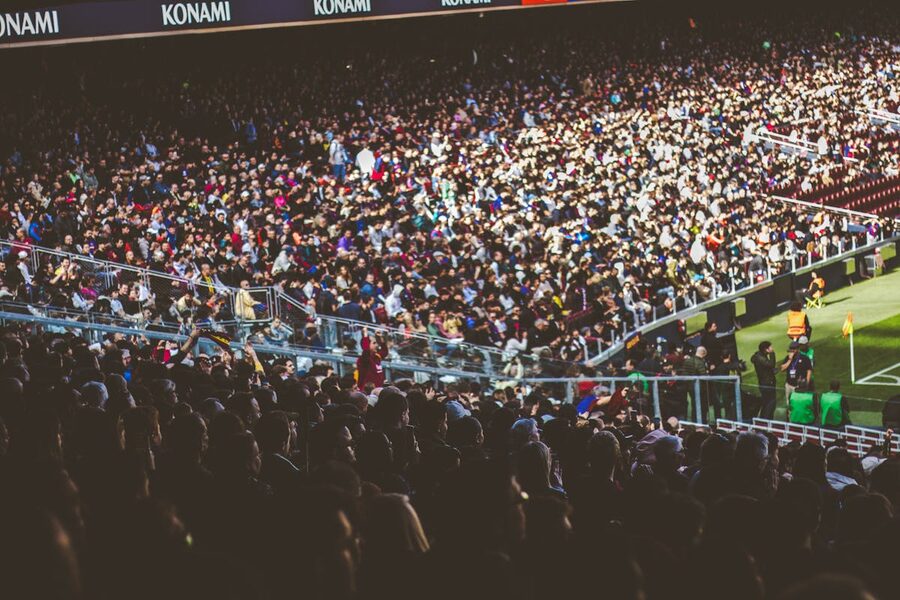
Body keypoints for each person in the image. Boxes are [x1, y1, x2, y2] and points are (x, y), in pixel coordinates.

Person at [781, 340, 813, 405]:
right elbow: (782, 369)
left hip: (799, 386)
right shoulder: (788, 358)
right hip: (789, 384)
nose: (792, 351)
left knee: (798, 403)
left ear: (798, 349)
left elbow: (809, 370)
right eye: (791, 349)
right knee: (789, 403)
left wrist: (807, 382)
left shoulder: (804, 358)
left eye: (794, 349)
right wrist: (790, 360)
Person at [752, 341, 777, 419]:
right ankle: (767, 421)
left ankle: (764, 421)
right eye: (770, 347)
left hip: (764, 383)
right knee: (770, 403)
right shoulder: (761, 358)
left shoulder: (758, 356)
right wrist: (772, 354)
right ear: (766, 349)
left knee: (766, 403)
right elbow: (771, 364)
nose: (772, 348)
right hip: (767, 383)